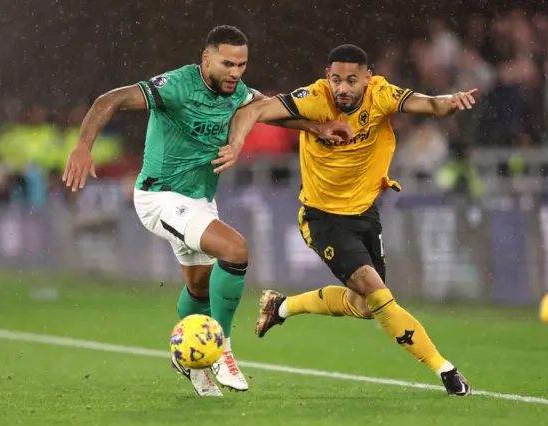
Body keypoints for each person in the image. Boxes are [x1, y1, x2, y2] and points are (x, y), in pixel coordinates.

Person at [62, 26, 351, 397]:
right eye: (228, 63)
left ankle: (190, 360)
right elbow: (110, 99)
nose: (235, 72)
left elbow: (270, 112)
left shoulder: (240, 93)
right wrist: (83, 146)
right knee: (235, 250)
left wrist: (317, 127)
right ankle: (222, 351)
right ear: (206, 59)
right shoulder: (177, 86)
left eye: (242, 64)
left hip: (198, 200)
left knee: (199, 288)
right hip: (159, 196)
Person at [222, 44, 477, 396]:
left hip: (365, 215)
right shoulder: (315, 97)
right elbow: (258, 109)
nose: (343, 88)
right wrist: (237, 143)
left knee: (365, 307)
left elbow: (431, 104)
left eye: (352, 80)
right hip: (323, 218)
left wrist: (451, 101)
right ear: (328, 77)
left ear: (367, 79)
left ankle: (281, 306)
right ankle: (445, 370)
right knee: (377, 292)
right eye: (337, 79)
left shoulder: (382, 95)